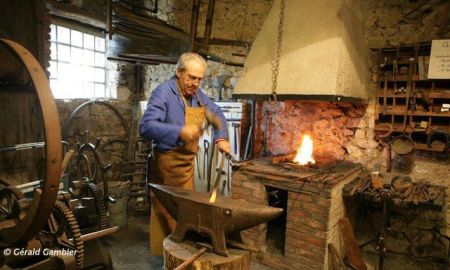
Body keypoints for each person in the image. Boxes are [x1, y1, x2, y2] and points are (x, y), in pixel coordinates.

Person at [139, 52, 231, 256]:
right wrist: (179, 131)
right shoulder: (163, 93)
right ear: (179, 73)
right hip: (166, 164)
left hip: (186, 165)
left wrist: (221, 137)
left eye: (200, 79)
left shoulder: (197, 95)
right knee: (167, 213)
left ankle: (180, 254)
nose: (196, 83)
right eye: (191, 77)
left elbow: (216, 112)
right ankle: (168, 256)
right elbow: (145, 127)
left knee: (185, 212)